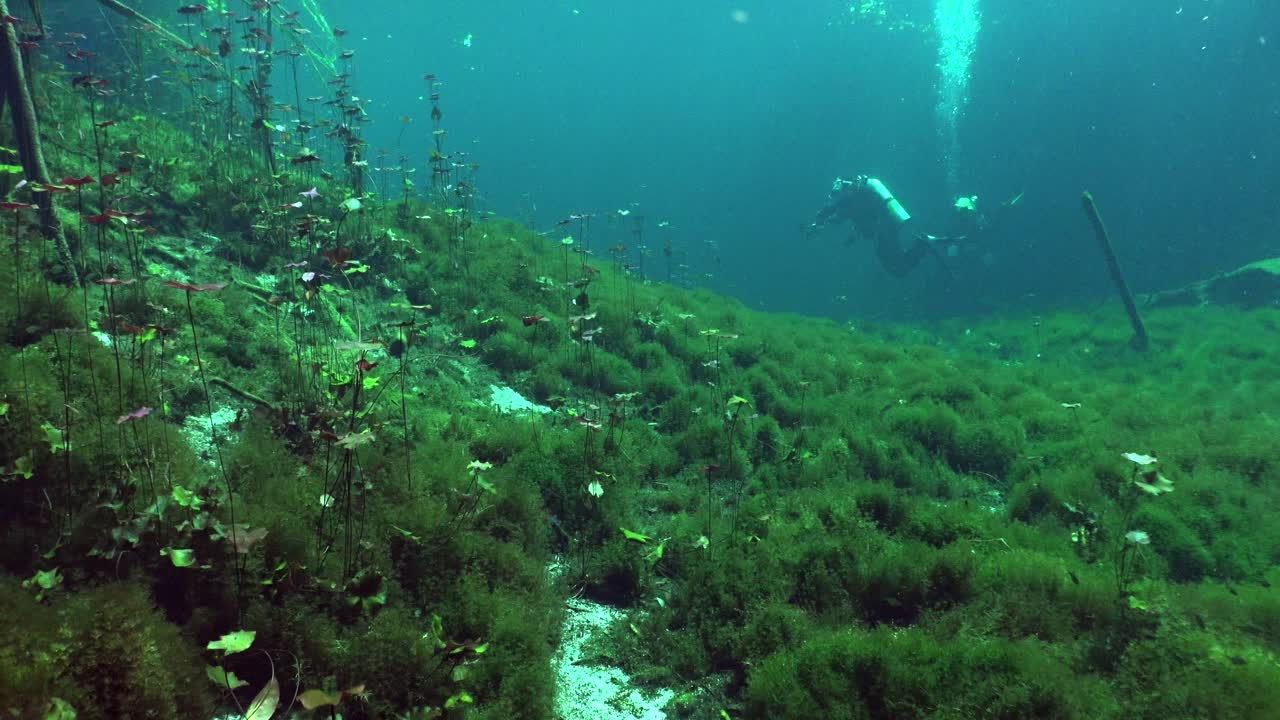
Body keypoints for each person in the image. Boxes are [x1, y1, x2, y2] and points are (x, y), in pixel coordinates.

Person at [806, 175, 969, 277]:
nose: (835, 199)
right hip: (886, 229)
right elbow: (835, 213)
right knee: (896, 267)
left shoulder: (854, 198)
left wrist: (821, 222)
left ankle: (924, 243)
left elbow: (837, 212)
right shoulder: (852, 199)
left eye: (836, 195)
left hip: (887, 229)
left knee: (898, 269)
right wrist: (819, 223)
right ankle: (924, 243)